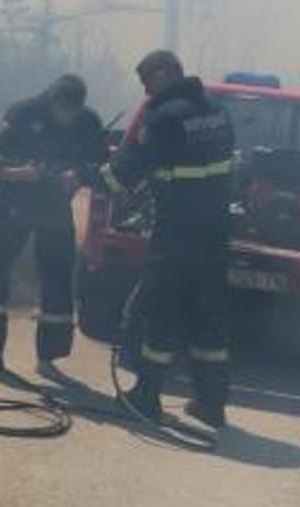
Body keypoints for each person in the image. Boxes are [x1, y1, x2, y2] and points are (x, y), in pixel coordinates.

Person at [100, 50, 237, 429]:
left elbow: (124, 174)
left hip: (177, 233)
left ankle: (146, 399)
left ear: (165, 73)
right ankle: (211, 405)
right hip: (215, 234)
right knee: (208, 317)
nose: (146, 90)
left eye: (147, 81)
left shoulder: (163, 117)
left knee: (161, 312)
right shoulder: (218, 112)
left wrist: (86, 173)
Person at [0, 74, 108, 375]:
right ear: (51, 100)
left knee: (57, 278)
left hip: (54, 209)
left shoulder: (88, 123)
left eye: (72, 112)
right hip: (12, 205)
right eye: (62, 110)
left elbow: (101, 163)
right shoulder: (23, 112)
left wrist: (79, 175)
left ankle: (49, 358)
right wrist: (18, 172)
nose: (66, 118)